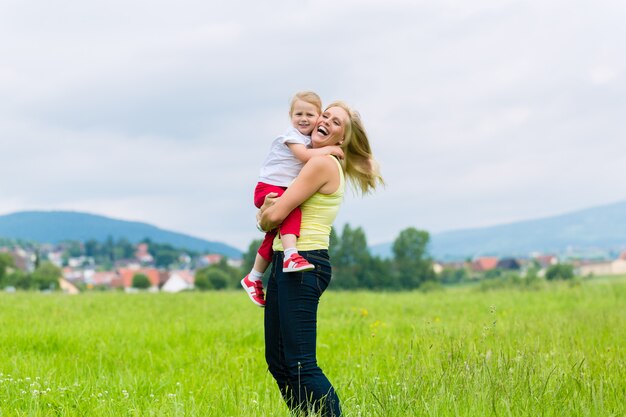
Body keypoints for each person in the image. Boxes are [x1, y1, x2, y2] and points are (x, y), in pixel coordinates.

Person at [257, 101, 383, 417]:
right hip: (284, 264)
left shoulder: (321, 164)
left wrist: (267, 210)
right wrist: (270, 209)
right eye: (325, 115)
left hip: (304, 264)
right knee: (279, 362)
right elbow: (274, 214)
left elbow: (274, 216)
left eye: (336, 121)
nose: (325, 120)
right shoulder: (311, 162)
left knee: (300, 363)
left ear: (341, 139)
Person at [241, 92, 344, 307]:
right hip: (269, 186)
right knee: (292, 211)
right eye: (298, 114)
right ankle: (290, 255)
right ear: (290, 116)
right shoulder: (293, 137)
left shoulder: (313, 147)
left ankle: (254, 276)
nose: (304, 119)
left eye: (310, 114)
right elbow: (305, 158)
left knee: (272, 235)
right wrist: (333, 148)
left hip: (278, 189)